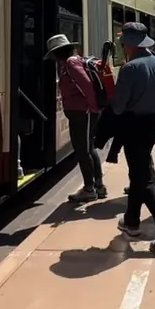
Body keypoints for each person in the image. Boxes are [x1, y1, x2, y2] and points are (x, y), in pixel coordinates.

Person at [112, 23, 155, 252]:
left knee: (142, 177)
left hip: (135, 125)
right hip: (154, 123)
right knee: (139, 170)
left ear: (129, 44)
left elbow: (119, 106)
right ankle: (131, 221)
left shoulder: (129, 69)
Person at [45, 34, 105, 201]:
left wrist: (92, 110)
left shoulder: (71, 63)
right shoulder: (73, 61)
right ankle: (98, 186)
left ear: (59, 52)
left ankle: (89, 188)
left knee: (82, 150)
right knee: (88, 148)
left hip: (82, 114)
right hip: (82, 113)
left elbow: (86, 85)